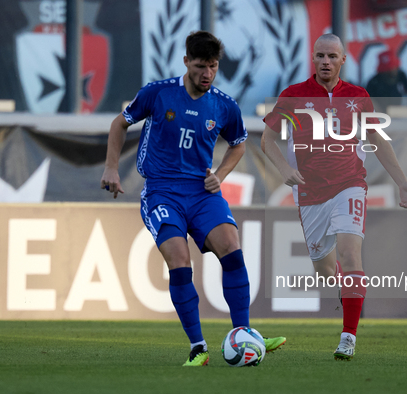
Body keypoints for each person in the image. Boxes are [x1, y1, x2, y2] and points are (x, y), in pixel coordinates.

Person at [101, 31, 285, 366]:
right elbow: (119, 123)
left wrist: (222, 174)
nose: (207, 73)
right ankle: (198, 347)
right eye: (200, 66)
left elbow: (239, 143)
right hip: (162, 191)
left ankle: (242, 333)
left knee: (231, 247)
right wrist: (112, 168)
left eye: (213, 66)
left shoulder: (224, 105)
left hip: (202, 192)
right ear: (186, 62)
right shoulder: (158, 94)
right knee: (179, 260)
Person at [261, 34, 407, 361]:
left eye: (332, 56)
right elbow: (268, 140)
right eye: (320, 56)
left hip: (349, 184)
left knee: (350, 254)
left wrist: (402, 182)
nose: (326, 62)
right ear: (313, 59)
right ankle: (349, 294)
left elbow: (377, 137)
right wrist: (283, 169)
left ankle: (348, 337)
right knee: (324, 269)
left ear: (343, 60)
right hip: (308, 191)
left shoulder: (358, 97)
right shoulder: (293, 96)